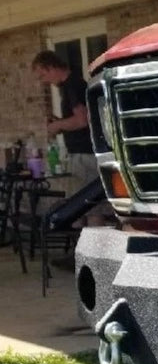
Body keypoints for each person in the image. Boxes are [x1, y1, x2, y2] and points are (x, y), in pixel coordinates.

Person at [30, 49, 108, 233]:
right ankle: (78, 250)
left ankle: (93, 253)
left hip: (85, 155)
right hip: (81, 154)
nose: (44, 81)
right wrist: (60, 121)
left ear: (51, 68)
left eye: (43, 75)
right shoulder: (71, 86)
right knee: (77, 208)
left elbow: (82, 119)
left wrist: (57, 126)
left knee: (89, 207)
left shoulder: (73, 84)